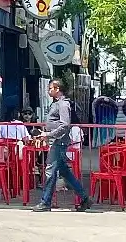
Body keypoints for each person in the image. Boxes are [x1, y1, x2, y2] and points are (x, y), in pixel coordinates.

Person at [32, 78, 92, 212]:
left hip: (59, 141)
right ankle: (84, 198)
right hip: (56, 140)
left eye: (50, 88)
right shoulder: (57, 103)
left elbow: (65, 124)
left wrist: (48, 135)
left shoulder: (63, 104)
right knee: (65, 172)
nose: (49, 91)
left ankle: (45, 202)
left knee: (50, 171)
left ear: (57, 89)